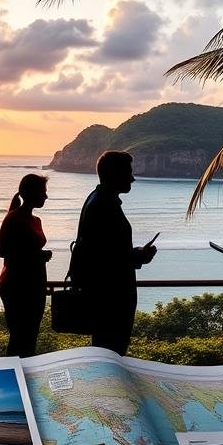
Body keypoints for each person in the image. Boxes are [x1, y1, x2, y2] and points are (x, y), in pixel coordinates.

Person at [68, 150, 156, 355]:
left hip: (105, 297)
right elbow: (106, 258)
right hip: (110, 299)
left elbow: (106, 251)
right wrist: (138, 256)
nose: (133, 178)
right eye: (128, 172)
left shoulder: (98, 199)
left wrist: (134, 255)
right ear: (113, 174)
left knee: (107, 351)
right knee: (110, 352)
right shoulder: (104, 205)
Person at [0, 174, 52, 357]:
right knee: (20, 336)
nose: (45, 196)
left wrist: (38, 256)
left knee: (30, 335)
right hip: (17, 285)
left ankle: (25, 376)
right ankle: (15, 376)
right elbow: (0, 250)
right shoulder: (14, 218)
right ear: (31, 193)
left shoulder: (35, 220)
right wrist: (37, 256)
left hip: (35, 284)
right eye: (43, 192)